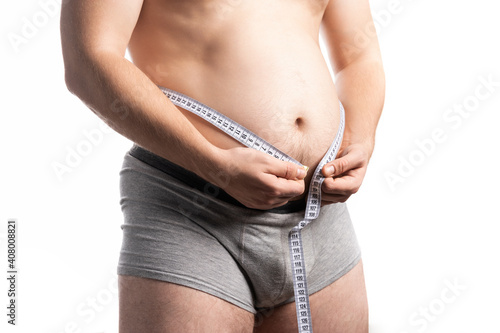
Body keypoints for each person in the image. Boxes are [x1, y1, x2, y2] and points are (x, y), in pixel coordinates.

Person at [61, 0, 384, 332]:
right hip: (189, 210)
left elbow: (358, 56)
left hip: (319, 219)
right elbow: (89, 59)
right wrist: (214, 164)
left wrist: (362, 138)